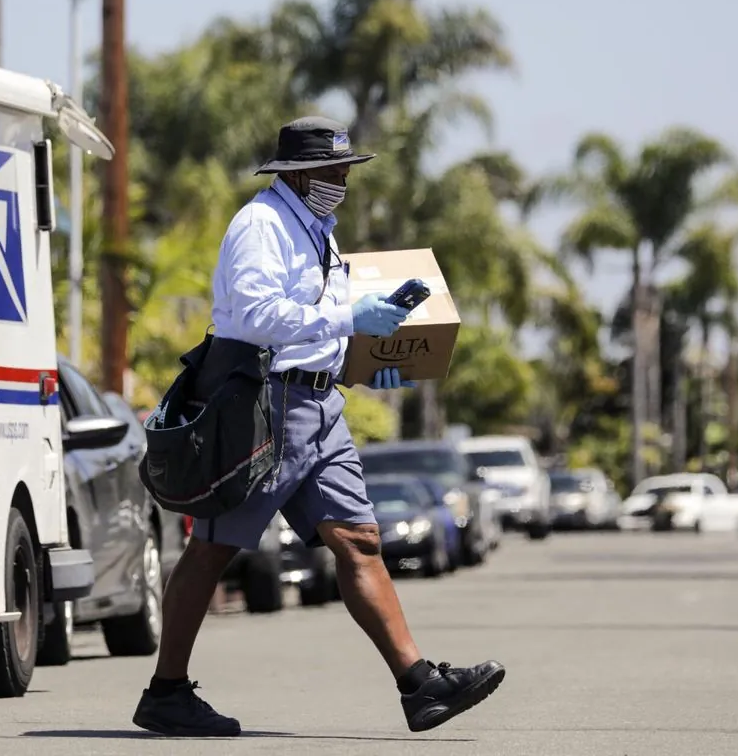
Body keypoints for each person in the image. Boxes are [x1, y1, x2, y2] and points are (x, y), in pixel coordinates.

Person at [131, 116, 505, 737]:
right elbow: (255, 316)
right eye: (333, 170)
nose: (342, 181)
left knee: (359, 540)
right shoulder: (262, 225)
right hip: (261, 405)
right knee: (213, 546)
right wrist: (351, 315)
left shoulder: (320, 231)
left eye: (346, 170)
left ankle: (419, 686)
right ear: (298, 173)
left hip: (318, 406)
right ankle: (166, 691)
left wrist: (367, 362)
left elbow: (319, 329)